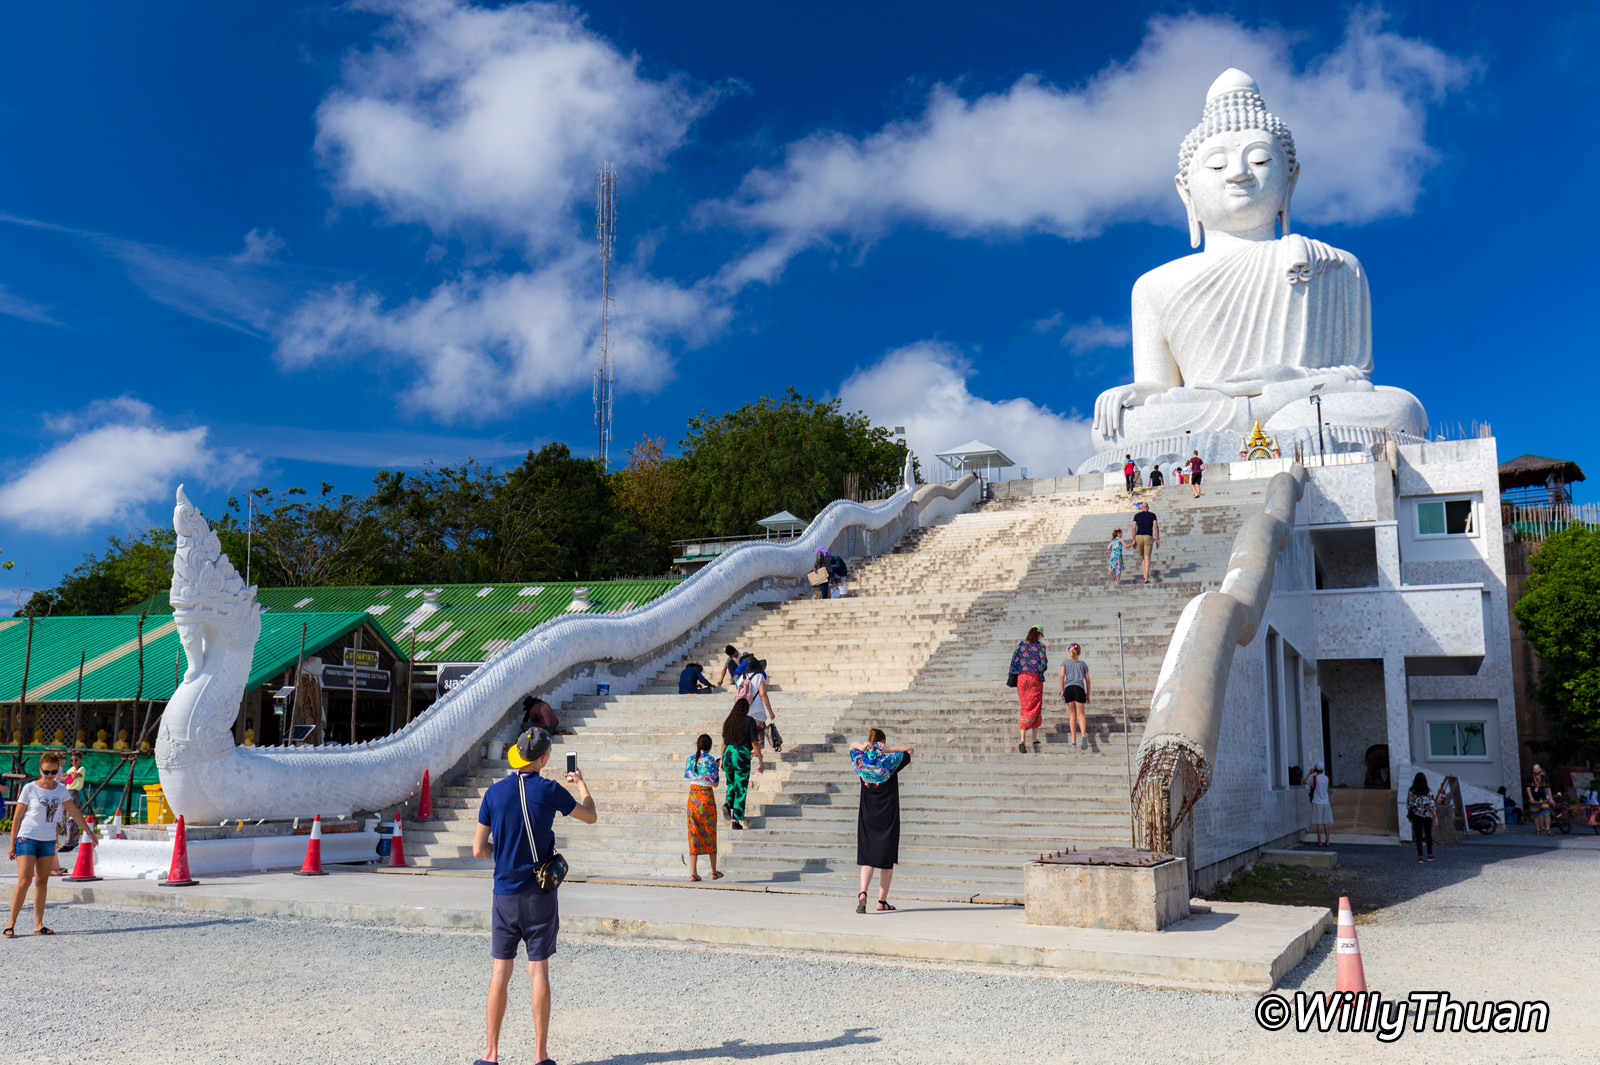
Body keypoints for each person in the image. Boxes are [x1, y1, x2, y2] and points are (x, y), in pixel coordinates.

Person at [472, 728, 597, 1065]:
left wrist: (505, 853)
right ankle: (540, 1055)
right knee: (538, 970)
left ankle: (490, 1054)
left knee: (501, 971)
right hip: (540, 894)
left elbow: (478, 848)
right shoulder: (551, 790)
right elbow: (590, 815)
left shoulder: (494, 794)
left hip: (505, 894)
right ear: (545, 757)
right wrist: (580, 782)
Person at [8, 752, 98, 937]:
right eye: (46, 772)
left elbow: (73, 811)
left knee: (42, 880)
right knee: (25, 880)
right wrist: (11, 844)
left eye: (53, 772)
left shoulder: (61, 789)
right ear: (40, 769)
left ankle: (38, 923)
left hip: (47, 840)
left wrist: (88, 833)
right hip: (27, 837)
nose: (49, 776)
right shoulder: (30, 788)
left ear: (58, 771)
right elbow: (17, 817)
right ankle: (11, 922)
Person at [850, 728, 913, 913]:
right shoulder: (889, 760)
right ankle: (882, 901)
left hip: (867, 814)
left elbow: (850, 746)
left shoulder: (860, 760)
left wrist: (862, 746)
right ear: (882, 742)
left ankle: (862, 893)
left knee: (867, 857)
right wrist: (890, 749)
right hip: (888, 814)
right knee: (886, 859)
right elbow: (910, 750)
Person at [683, 734, 723, 882]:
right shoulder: (711, 760)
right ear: (709, 747)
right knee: (710, 832)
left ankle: (693, 872)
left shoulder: (690, 759)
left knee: (693, 833)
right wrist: (717, 768)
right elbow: (715, 783)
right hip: (706, 797)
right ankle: (713, 871)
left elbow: (690, 776)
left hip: (693, 798)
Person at [720, 698, 762, 830]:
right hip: (741, 754)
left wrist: (722, 759)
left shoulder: (728, 721)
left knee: (731, 783)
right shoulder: (749, 721)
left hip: (728, 753)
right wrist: (761, 760)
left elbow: (723, 743)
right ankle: (735, 820)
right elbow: (755, 743)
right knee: (741, 787)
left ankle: (727, 803)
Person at [1009, 627, 1049, 753]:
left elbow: (1014, 660)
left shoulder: (1021, 645)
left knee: (1025, 706)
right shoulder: (1041, 647)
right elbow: (1043, 663)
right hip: (1034, 678)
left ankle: (1022, 739)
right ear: (1038, 635)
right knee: (1036, 706)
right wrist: (1040, 671)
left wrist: (1014, 673)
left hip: (1022, 678)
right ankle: (1034, 737)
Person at [736, 656, 780, 755]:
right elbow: (763, 694)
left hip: (744, 713)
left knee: (747, 738)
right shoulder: (759, 676)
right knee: (758, 739)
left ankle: (748, 755)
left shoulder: (741, 678)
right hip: (757, 712)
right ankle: (756, 755)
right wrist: (770, 712)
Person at [1058, 643, 1090, 750]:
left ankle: (1073, 739)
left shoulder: (1065, 663)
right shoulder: (1083, 664)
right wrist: (1088, 694)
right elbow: (1088, 680)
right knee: (1081, 714)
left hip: (1068, 688)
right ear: (1079, 652)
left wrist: (1062, 690)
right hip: (1079, 688)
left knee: (1072, 715)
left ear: (1069, 651)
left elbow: (1062, 676)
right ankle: (1083, 735)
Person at [1406, 771, 1437, 862]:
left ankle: (1420, 856)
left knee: (1418, 836)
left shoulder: (1412, 791)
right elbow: (1432, 805)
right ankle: (1429, 854)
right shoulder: (1428, 791)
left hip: (1416, 815)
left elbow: (1409, 804)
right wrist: (1435, 817)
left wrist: (1410, 815)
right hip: (1427, 815)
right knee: (1428, 835)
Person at [1131, 501, 1159, 584]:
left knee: (1142, 557)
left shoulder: (1136, 516)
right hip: (1148, 536)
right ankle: (1146, 577)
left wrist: (1133, 539)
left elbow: (1133, 528)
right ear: (1148, 508)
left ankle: (1144, 574)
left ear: (1141, 508)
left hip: (1138, 536)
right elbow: (1155, 526)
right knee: (1147, 557)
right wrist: (1157, 538)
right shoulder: (1152, 515)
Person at [1306, 761, 1333, 847]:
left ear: (1315, 769)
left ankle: (1320, 842)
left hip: (1317, 802)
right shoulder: (1327, 778)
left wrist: (1309, 773)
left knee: (1319, 823)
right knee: (1326, 823)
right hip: (1326, 802)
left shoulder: (1313, 778)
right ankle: (1327, 841)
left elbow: (1304, 782)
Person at [1526, 765, 1554, 836]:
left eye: (1536, 769)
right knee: (1536, 815)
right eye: (1534, 769)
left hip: (1543, 798)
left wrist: (1550, 798)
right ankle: (1538, 829)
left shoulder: (1545, 778)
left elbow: (1548, 788)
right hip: (1535, 799)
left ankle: (1548, 829)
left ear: (1540, 769)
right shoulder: (1530, 778)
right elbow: (1528, 788)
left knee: (1547, 813)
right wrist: (1531, 797)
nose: (1535, 771)